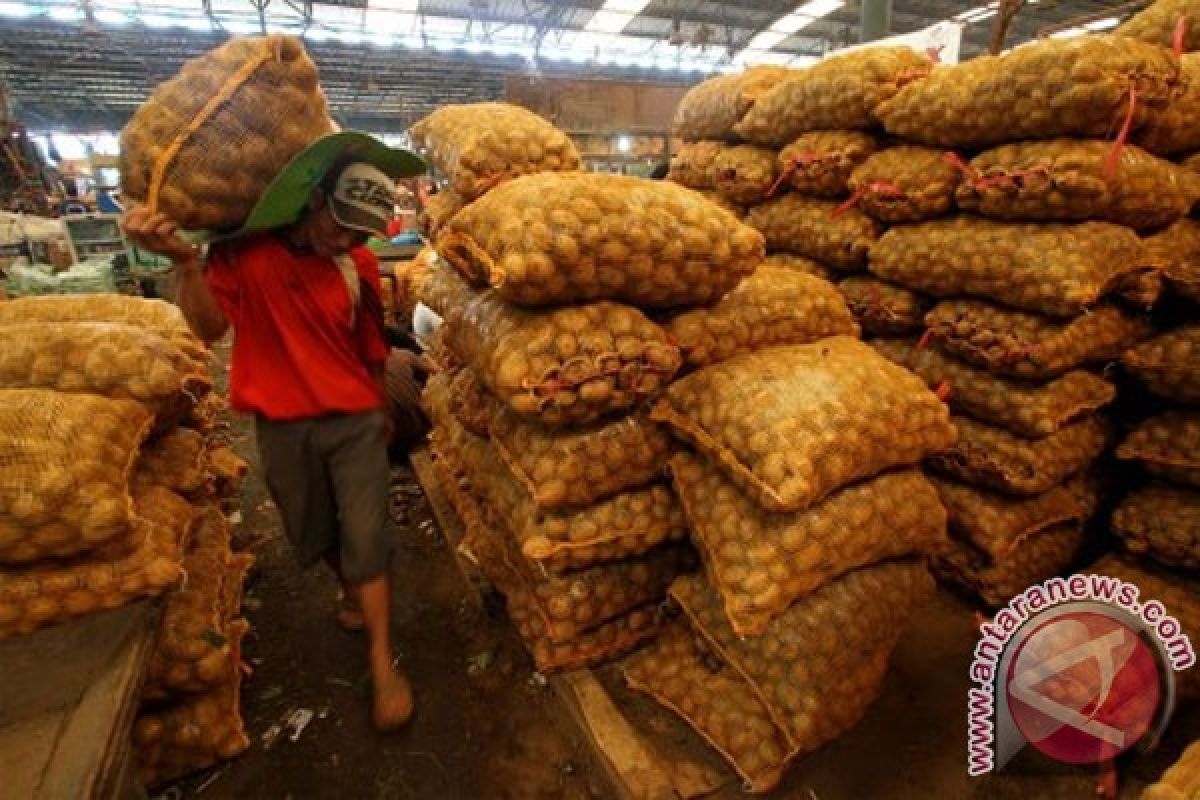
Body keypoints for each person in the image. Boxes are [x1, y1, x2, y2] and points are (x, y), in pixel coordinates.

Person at [121, 132, 429, 732]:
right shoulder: (245, 253)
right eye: (340, 226)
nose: (346, 241)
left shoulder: (357, 264)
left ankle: (382, 661)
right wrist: (187, 263)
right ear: (314, 202)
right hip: (283, 425)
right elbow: (207, 330)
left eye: (361, 234)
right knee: (311, 530)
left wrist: (381, 405)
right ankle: (349, 587)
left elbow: (370, 343)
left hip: (355, 421)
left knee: (368, 532)